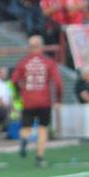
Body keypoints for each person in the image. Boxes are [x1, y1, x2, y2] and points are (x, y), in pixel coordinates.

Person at [11, 35, 62, 166]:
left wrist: (18, 94)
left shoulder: (23, 62)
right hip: (44, 101)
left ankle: (24, 140)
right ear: (42, 47)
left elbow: (14, 80)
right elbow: (58, 83)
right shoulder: (48, 62)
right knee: (43, 129)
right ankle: (39, 157)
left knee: (26, 126)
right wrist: (58, 99)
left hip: (28, 100)